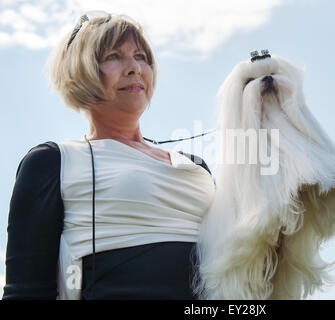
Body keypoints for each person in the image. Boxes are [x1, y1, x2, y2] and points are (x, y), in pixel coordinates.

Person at [2, 11, 216, 300]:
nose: (134, 68)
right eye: (115, 56)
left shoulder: (196, 165)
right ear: (81, 71)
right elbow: (25, 292)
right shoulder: (53, 162)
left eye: (141, 56)